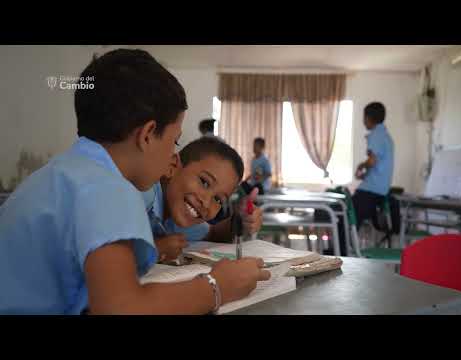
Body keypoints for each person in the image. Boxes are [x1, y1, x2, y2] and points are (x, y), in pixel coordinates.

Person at [0, 49, 269, 315]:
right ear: (148, 134)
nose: (172, 155)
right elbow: (120, 309)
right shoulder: (110, 189)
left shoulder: (68, 171)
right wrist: (217, 286)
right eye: (173, 141)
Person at [142, 137, 263, 262]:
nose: (205, 203)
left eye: (218, 199)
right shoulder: (144, 192)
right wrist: (155, 250)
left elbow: (213, 233)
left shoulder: (178, 211)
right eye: (204, 182)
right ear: (172, 167)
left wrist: (239, 220)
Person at [352, 102, 394, 230]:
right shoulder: (385, 136)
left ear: (368, 118)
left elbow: (372, 161)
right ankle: (347, 246)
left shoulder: (376, 134)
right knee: (353, 219)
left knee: (346, 218)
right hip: (380, 190)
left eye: (364, 118)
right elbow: (377, 163)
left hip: (371, 190)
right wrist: (365, 174)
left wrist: (361, 165)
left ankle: (342, 249)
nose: (363, 121)